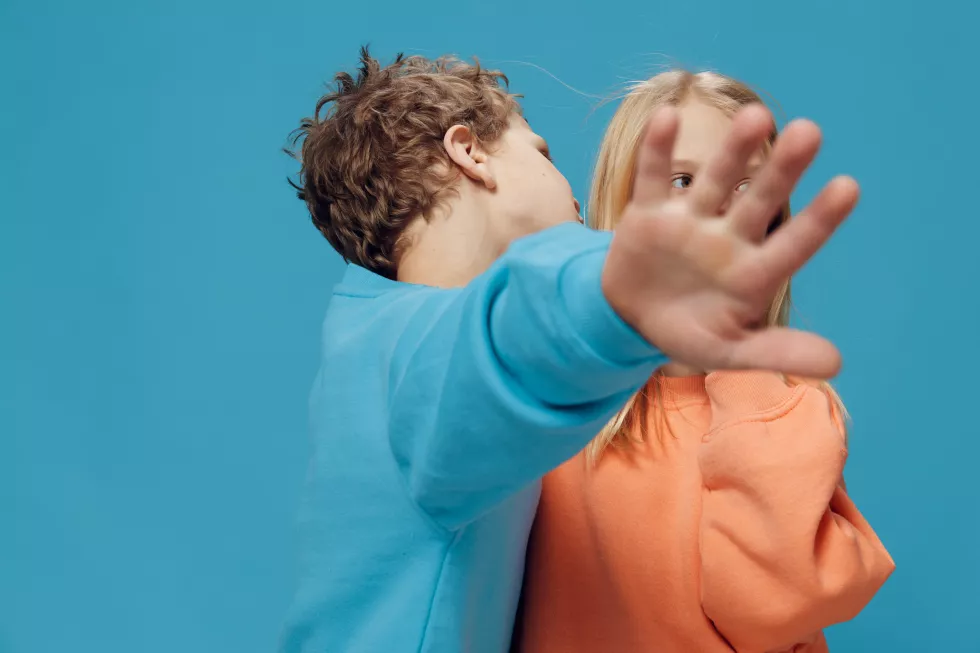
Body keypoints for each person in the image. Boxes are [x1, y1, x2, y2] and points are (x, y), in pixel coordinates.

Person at [280, 48, 859, 653]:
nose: (573, 194)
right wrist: (616, 304)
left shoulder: (370, 341)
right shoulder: (424, 358)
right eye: (543, 153)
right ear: (470, 153)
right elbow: (501, 349)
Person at [515, 71, 895, 653]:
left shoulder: (793, 410)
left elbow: (769, 610)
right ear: (623, 204)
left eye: (747, 187)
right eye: (683, 178)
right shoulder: (552, 390)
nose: (715, 208)